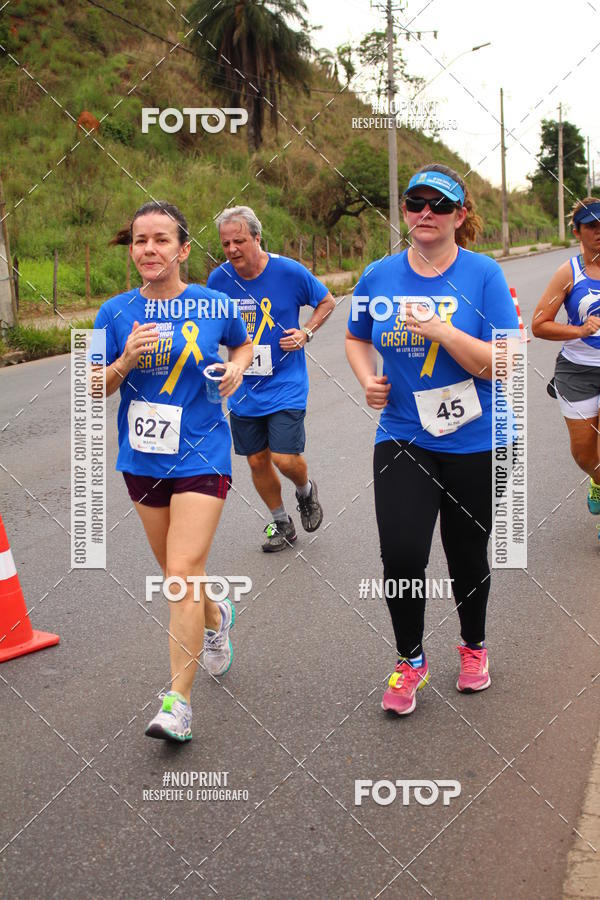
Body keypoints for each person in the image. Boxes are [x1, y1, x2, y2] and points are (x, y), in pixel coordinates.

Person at [346, 164, 519, 716]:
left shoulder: (484, 275)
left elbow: (504, 364)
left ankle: (473, 647)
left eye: (439, 205)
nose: (426, 212)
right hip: (403, 434)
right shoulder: (377, 276)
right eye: (415, 202)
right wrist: (367, 379)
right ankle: (410, 660)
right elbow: (354, 335)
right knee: (400, 552)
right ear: (403, 212)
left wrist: (444, 331)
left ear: (459, 216)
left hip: (475, 439)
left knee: (466, 552)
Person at [93, 201, 252, 741]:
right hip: (141, 458)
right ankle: (216, 617)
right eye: (140, 241)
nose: (149, 249)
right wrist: (124, 361)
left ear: (183, 250)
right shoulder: (111, 314)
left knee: (181, 572)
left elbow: (244, 341)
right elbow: (90, 387)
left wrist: (236, 366)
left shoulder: (214, 303)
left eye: (161, 240)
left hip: (204, 453)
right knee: (177, 573)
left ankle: (177, 703)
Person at [207, 206, 336, 551]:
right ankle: (281, 522)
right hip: (244, 387)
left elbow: (326, 301)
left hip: (285, 384)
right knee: (256, 460)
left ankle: (306, 491)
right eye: (225, 243)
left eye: (239, 241)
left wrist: (306, 332)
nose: (232, 249)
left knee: (284, 457)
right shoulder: (219, 279)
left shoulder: (289, 272)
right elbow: (214, 327)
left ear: (257, 237)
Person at [531, 197, 600, 518]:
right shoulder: (568, 273)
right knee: (585, 453)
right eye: (591, 226)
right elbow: (539, 325)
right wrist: (580, 330)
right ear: (577, 232)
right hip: (577, 371)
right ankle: (597, 480)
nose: (599, 232)